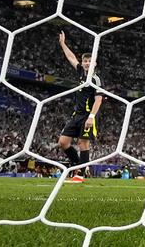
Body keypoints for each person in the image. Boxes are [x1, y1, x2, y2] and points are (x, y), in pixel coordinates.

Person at [56, 32, 102, 184]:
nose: (87, 63)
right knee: (63, 142)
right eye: (85, 61)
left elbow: (98, 99)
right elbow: (71, 57)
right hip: (76, 114)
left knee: (83, 143)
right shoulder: (81, 73)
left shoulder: (95, 79)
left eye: (90, 61)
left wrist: (91, 117)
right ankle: (78, 166)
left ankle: (80, 175)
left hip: (88, 116)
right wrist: (63, 44)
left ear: (94, 63)